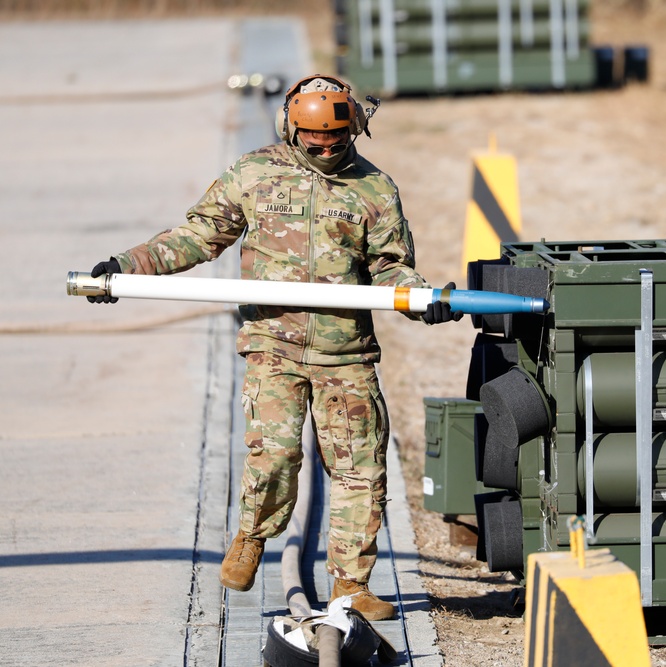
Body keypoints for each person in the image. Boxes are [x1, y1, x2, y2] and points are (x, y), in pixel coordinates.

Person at [87, 74, 462, 621]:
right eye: (316, 140)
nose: (328, 150)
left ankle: (351, 585)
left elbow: (390, 267)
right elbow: (199, 234)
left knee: (360, 467)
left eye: (338, 140)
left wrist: (415, 294)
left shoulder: (375, 189)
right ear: (292, 128)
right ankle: (251, 535)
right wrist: (126, 268)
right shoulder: (254, 173)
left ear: (354, 129)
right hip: (273, 346)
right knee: (278, 454)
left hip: (345, 353)